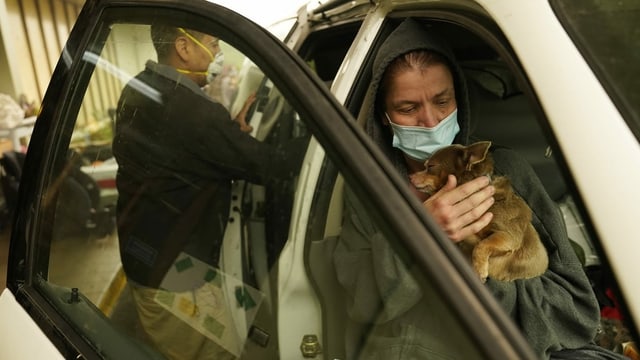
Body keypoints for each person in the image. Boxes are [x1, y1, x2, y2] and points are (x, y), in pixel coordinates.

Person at [333, 18, 626, 359]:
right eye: (408, 108)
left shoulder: (507, 172)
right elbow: (362, 308)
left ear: (460, 99)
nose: (430, 121)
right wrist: (420, 235)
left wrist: (486, 274)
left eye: (443, 101)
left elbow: (577, 310)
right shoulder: (367, 189)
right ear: (384, 116)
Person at [113, 24, 305, 359]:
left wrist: (228, 134)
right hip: (174, 277)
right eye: (213, 44)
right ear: (183, 48)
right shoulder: (193, 113)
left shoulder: (142, 87)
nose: (217, 54)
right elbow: (272, 166)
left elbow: (182, 149)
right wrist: (329, 132)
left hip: (147, 257)